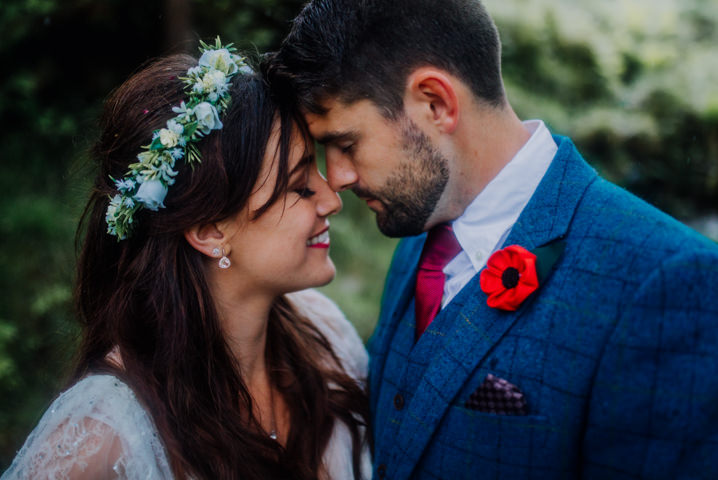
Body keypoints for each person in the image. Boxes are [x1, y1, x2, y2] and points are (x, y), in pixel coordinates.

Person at [267, 1, 718, 478]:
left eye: (346, 143)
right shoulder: (416, 244)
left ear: (435, 103)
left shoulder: (669, 280)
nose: (335, 177)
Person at [2, 39, 370, 480]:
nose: (332, 199)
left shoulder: (328, 340)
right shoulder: (104, 437)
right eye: (300, 185)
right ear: (210, 231)